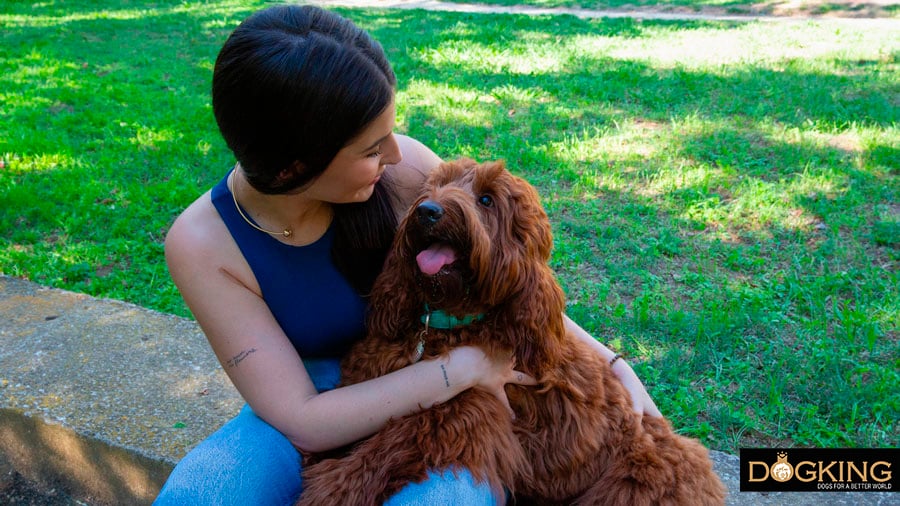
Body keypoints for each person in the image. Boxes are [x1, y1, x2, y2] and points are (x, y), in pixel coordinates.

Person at [155, 4, 661, 505]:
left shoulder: (405, 170)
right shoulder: (203, 243)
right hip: (313, 395)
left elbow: (510, 278)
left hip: (452, 400)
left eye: (390, 133)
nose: (396, 155)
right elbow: (302, 419)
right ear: (293, 168)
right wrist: (461, 369)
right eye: (372, 149)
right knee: (200, 495)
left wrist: (614, 362)